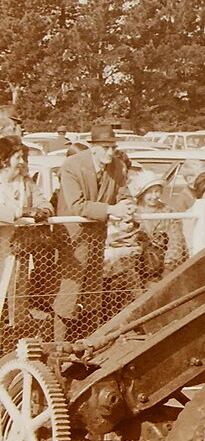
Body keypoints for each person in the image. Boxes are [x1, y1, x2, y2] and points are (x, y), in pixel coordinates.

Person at [53, 124, 134, 340]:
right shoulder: (72, 165)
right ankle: (58, 344)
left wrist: (128, 205)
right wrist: (111, 209)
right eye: (105, 148)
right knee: (70, 289)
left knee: (93, 287)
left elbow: (123, 192)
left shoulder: (116, 165)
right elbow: (77, 205)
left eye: (113, 147)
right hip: (73, 235)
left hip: (97, 233)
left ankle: (90, 341)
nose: (110, 152)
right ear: (93, 147)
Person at [0, 136, 52, 339]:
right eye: (18, 157)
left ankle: (11, 339)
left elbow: (45, 204)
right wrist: (22, 211)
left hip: (18, 251)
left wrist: (42, 211)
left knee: (15, 299)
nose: (22, 162)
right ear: (5, 159)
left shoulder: (27, 184)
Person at [131, 170, 186, 281]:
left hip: (162, 266)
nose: (154, 196)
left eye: (157, 191)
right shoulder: (132, 211)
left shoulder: (168, 211)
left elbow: (176, 240)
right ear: (141, 193)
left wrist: (168, 267)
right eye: (150, 192)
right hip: (135, 266)